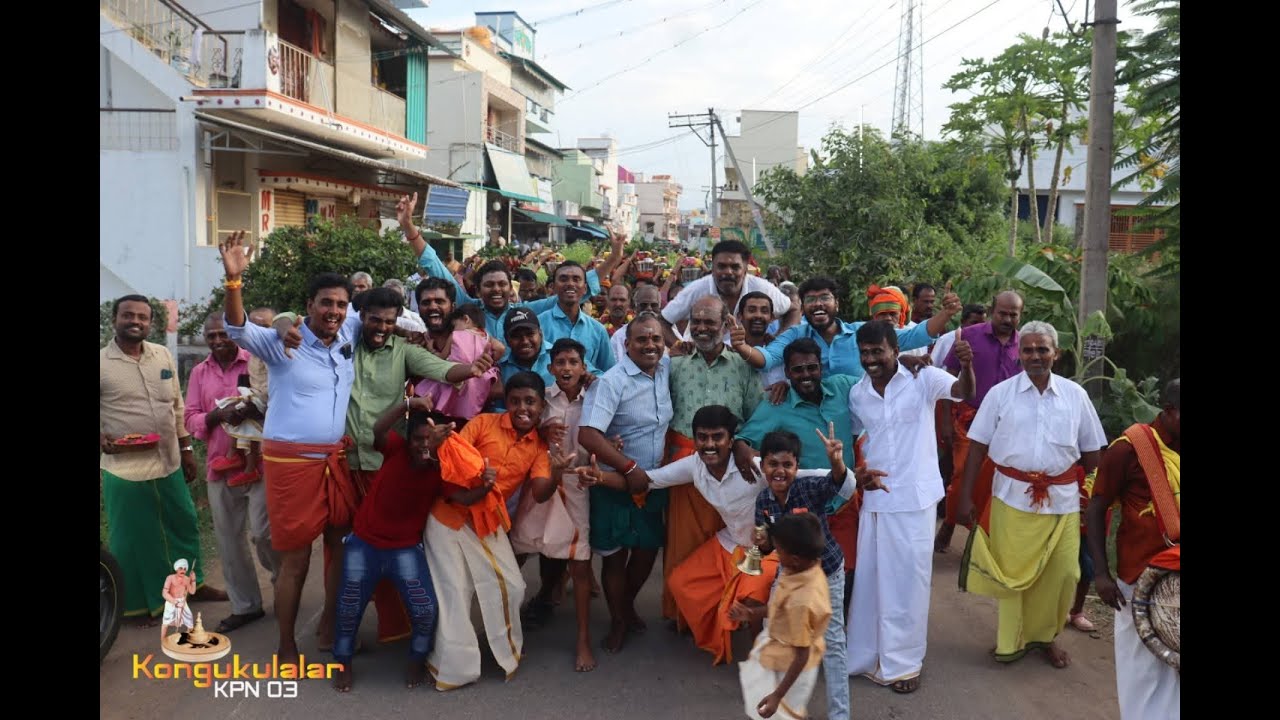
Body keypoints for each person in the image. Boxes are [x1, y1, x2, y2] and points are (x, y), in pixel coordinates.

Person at [219, 231, 357, 662]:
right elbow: (237, 328)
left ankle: (330, 628)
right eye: (326, 303)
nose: (333, 311)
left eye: (340, 304)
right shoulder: (283, 342)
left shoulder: (350, 330)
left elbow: (400, 314)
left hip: (336, 462)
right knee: (295, 561)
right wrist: (235, 282)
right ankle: (285, 644)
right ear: (310, 306)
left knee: (340, 549)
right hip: (291, 465)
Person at [957, 321, 1108, 669]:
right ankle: (1010, 642)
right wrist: (964, 499)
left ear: (1055, 353)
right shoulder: (1000, 394)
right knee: (1014, 579)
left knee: (1064, 574)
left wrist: (1095, 496)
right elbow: (977, 448)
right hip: (1012, 500)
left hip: (1065, 502)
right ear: (1019, 354)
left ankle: (1045, 638)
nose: (1036, 356)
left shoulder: (1075, 395)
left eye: (1043, 349)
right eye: (1028, 349)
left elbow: (1093, 454)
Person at [845, 320, 974, 694]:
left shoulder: (924, 378)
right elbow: (859, 438)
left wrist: (966, 366)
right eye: (864, 353)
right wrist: (859, 473)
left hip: (915, 499)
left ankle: (904, 664)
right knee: (871, 579)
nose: (871, 359)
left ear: (894, 349)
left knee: (909, 584)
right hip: (875, 498)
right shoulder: (858, 393)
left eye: (878, 351)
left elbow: (962, 392)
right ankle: (867, 656)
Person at [425, 372, 574, 690]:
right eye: (516, 401)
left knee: (514, 585)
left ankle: (503, 651)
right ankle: (452, 670)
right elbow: (450, 463)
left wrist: (558, 473)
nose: (523, 408)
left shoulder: (538, 446)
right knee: (456, 592)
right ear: (506, 403)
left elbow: (540, 492)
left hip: (487, 521)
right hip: (448, 515)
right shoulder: (483, 424)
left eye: (530, 402)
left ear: (541, 406)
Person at [101, 295, 225, 624]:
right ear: (115, 319)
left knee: (182, 525)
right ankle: (136, 607)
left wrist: (186, 450)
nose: (136, 321)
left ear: (151, 323)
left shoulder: (163, 355)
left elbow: (177, 406)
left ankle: (191, 588)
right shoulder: (101, 362)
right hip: (124, 468)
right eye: (128, 315)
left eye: (142, 317)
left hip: (168, 460)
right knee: (132, 538)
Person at [330, 397, 453, 693]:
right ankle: (342, 663)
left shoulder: (442, 467)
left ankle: (416, 660)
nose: (424, 445)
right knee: (348, 608)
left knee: (424, 611)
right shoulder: (395, 448)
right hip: (364, 543)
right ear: (407, 440)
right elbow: (378, 428)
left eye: (431, 440)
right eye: (419, 439)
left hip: (405, 549)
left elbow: (461, 497)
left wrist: (485, 486)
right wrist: (405, 405)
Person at [662, 297, 762, 629]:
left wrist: (744, 444)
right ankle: (685, 616)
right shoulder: (675, 364)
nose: (703, 327)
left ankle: (724, 615)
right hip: (684, 464)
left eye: (710, 321)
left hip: (731, 465)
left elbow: (754, 414)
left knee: (727, 542)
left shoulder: (743, 364)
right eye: (697, 321)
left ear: (725, 323)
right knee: (684, 543)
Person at [750, 429, 864, 720]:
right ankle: (777, 704)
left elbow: (837, 483)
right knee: (773, 628)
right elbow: (765, 549)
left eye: (787, 465)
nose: (780, 471)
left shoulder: (810, 488)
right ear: (763, 466)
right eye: (773, 464)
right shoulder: (763, 502)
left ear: (796, 467)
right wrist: (762, 545)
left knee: (834, 643)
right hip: (788, 576)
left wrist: (837, 461)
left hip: (828, 574)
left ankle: (840, 715)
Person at [578, 312, 673, 654]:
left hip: (653, 481)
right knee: (615, 557)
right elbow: (588, 433)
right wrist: (629, 467)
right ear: (626, 344)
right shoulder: (611, 381)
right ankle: (618, 620)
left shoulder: (665, 369)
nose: (650, 345)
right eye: (642, 339)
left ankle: (626, 606)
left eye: (656, 339)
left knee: (647, 551)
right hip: (615, 482)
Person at [1087, 379, 1180, 720]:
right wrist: (1100, 573)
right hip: (1138, 579)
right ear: (1169, 412)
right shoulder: (1130, 448)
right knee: (1141, 673)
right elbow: (1097, 507)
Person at [184, 314, 279, 633]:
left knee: (264, 533)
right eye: (211, 336)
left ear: (235, 333)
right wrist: (213, 416)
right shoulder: (199, 372)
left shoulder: (256, 361)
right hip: (219, 465)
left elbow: (278, 401)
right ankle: (246, 605)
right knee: (229, 539)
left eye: (223, 334)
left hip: (261, 461)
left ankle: (284, 583)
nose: (217, 341)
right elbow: (190, 417)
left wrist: (258, 409)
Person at [508, 339, 598, 672]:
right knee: (517, 551)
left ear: (583, 367)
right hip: (541, 480)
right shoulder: (541, 397)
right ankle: (503, 631)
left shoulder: (596, 395)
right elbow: (521, 424)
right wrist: (542, 428)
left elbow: (605, 432)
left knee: (579, 563)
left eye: (573, 362)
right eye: (560, 362)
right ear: (551, 367)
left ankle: (583, 640)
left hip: (577, 483)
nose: (566, 369)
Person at [733, 277, 962, 384]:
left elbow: (914, 336)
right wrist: (742, 346)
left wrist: (945, 314)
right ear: (803, 307)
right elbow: (767, 358)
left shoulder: (861, 332)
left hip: (862, 425)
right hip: (816, 422)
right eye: (811, 300)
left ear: (837, 304)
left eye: (825, 298)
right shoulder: (795, 336)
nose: (818, 304)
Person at [936, 291, 1025, 552]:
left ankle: (983, 535)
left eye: (1013, 314)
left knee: (996, 478)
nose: (1008, 319)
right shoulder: (968, 336)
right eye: (1003, 313)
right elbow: (947, 380)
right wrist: (944, 421)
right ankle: (949, 523)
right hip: (968, 420)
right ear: (992, 310)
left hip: (1007, 424)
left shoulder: (1025, 344)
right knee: (963, 474)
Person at [734, 512, 832, 720]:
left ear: (794, 559)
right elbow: (781, 607)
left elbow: (801, 655)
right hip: (781, 656)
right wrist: (752, 613)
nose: (776, 554)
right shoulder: (804, 569)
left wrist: (777, 695)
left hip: (790, 668)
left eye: (778, 551)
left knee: (782, 714)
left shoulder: (802, 602)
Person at [660, 240, 791, 349]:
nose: (728, 272)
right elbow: (662, 321)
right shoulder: (697, 289)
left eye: (735, 267)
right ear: (712, 267)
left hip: (754, 362)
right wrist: (680, 347)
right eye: (721, 266)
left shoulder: (762, 287)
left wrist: (779, 341)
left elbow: (793, 309)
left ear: (745, 268)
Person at [413, 278, 503, 426]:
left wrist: (475, 375)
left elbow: (497, 389)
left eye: (439, 301)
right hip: (428, 431)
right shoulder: (416, 344)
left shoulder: (474, 338)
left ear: (453, 307)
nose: (433, 306)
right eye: (426, 302)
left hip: (472, 429)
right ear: (419, 308)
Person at [538, 260, 615, 373]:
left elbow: (609, 373)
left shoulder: (598, 330)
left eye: (576, 279)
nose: (570, 284)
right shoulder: (538, 325)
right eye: (563, 279)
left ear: (584, 288)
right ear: (553, 287)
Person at [609, 284, 663, 364]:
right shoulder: (619, 336)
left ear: (660, 307)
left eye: (654, 305)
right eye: (643, 305)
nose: (649, 308)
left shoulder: (669, 332)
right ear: (634, 307)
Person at [160, 559, 198, 641]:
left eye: (184, 569)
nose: (183, 570)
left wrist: (193, 580)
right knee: (166, 621)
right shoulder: (170, 578)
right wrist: (174, 602)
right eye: (180, 568)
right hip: (171, 602)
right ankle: (163, 640)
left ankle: (188, 639)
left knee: (189, 619)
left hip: (182, 602)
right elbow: (164, 593)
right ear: (176, 568)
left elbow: (192, 591)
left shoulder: (187, 579)